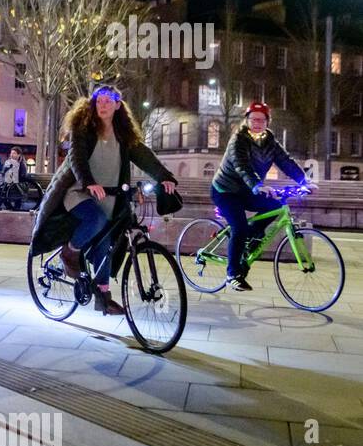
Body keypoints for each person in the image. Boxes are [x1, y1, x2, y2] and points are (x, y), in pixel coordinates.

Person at [31, 84, 177, 315]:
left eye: (108, 100)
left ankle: (103, 297)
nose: (103, 105)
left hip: (109, 197)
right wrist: (89, 182)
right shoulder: (84, 129)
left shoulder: (124, 134)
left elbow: (145, 157)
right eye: (99, 101)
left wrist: (165, 177)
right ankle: (70, 251)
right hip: (79, 193)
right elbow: (77, 159)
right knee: (96, 220)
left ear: (118, 105)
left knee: (106, 244)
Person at [210, 101, 310, 291]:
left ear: (267, 122)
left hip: (248, 190)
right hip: (226, 191)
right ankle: (233, 274)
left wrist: (304, 181)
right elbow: (242, 165)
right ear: (246, 120)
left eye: (261, 120)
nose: (257, 123)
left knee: (275, 205)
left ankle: (251, 236)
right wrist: (257, 184)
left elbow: (285, 161)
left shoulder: (269, 140)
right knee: (239, 228)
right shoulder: (238, 139)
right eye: (253, 119)